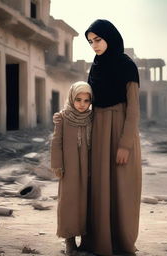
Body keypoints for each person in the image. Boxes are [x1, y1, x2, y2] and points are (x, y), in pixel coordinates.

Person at [84, 19, 142, 256]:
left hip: (120, 129)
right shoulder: (95, 67)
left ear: (110, 37)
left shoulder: (126, 65)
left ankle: (123, 243)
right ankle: (101, 243)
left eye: (98, 39)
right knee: (99, 187)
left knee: (122, 189)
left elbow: (134, 109)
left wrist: (125, 145)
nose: (94, 45)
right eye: (90, 42)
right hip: (98, 131)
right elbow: (86, 103)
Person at [50, 81, 93, 255]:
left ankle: (85, 240)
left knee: (86, 202)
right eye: (78, 100)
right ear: (71, 98)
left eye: (86, 100)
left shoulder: (93, 117)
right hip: (69, 167)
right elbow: (56, 142)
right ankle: (69, 240)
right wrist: (57, 164)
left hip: (88, 166)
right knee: (69, 202)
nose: (82, 104)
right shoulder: (63, 117)